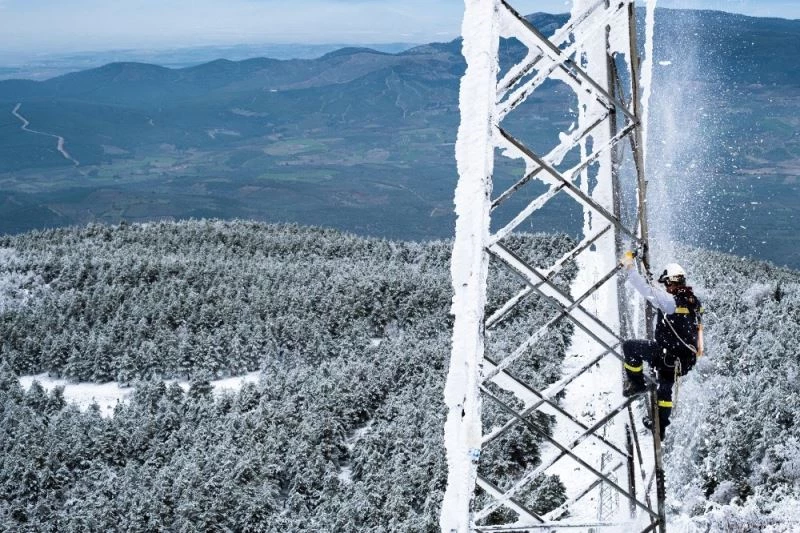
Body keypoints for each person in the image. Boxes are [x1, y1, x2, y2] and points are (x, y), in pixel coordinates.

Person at [620, 252, 704, 440]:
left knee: (630, 348)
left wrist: (630, 268)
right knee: (665, 389)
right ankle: (660, 427)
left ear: (671, 282)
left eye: (666, 284)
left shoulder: (670, 302)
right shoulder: (693, 301)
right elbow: (660, 295)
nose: (666, 287)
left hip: (666, 355)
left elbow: (647, 290)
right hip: (683, 360)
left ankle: (636, 383)